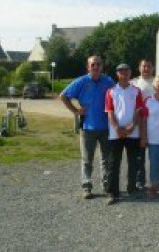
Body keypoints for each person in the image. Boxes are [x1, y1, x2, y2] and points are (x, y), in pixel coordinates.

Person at [60, 55, 115, 199]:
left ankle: (107, 186)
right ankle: (87, 187)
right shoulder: (81, 82)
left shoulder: (108, 81)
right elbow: (63, 96)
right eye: (93, 65)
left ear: (102, 67)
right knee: (87, 159)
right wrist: (75, 111)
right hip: (87, 127)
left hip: (106, 127)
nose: (95, 67)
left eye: (98, 64)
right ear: (88, 67)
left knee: (106, 159)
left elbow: (118, 98)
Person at [105, 63, 143, 205]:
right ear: (117, 74)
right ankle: (112, 192)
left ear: (130, 73)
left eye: (126, 71)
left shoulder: (136, 91)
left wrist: (132, 126)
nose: (124, 74)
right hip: (116, 133)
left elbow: (139, 111)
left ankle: (131, 188)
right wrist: (117, 128)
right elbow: (109, 111)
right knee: (113, 163)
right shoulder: (111, 91)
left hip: (133, 132)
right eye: (121, 72)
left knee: (133, 162)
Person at [131, 59, 155, 190]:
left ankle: (157, 180)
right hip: (140, 122)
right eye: (143, 66)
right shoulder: (133, 83)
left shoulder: (158, 82)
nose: (146, 68)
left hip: (156, 122)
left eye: (148, 66)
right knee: (140, 153)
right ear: (139, 68)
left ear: (153, 68)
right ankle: (140, 180)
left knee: (157, 153)